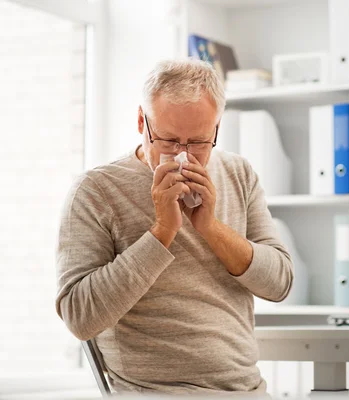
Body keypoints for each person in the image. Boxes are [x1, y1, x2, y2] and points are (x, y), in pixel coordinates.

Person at [55, 59, 294, 395]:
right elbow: (79, 317)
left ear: (216, 128)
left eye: (198, 142)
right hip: (155, 392)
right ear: (142, 121)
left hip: (247, 390)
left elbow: (280, 282)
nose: (184, 156)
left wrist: (210, 227)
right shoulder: (96, 190)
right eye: (168, 140)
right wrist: (162, 232)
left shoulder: (238, 173)